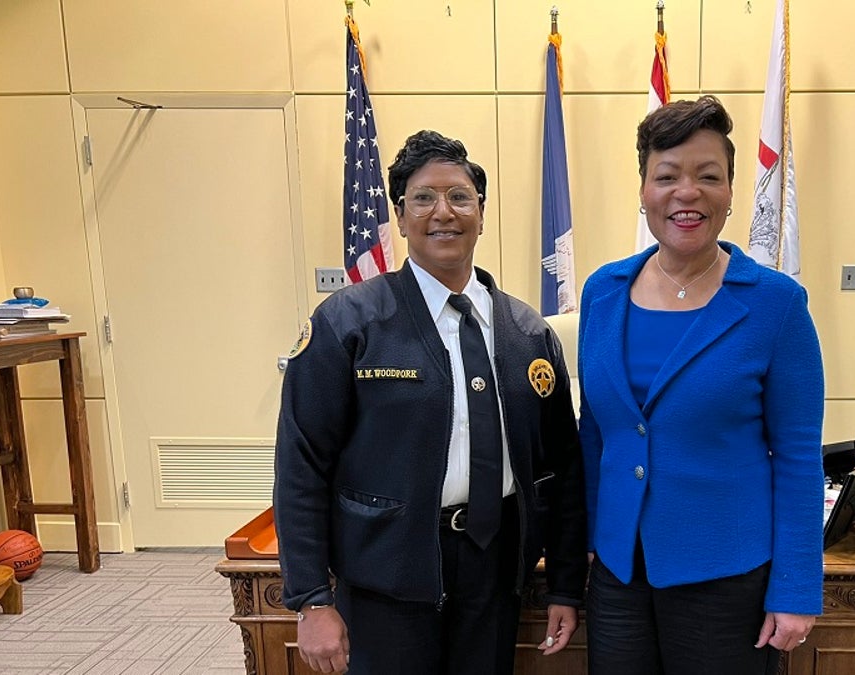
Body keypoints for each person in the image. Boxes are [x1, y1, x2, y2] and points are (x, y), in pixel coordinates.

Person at [274, 130, 587, 675]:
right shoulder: (348, 323)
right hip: (385, 577)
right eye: (423, 198)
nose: (443, 212)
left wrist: (564, 584)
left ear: (482, 213)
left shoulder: (526, 333)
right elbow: (301, 464)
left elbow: (562, 469)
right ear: (399, 215)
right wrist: (311, 599)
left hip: (494, 572)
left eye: (460, 197)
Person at [577, 96, 826, 675]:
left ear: (732, 191)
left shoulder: (775, 305)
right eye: (666, 176)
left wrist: (794, 589)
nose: (686, 193)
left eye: (708, 176)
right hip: (619, 572)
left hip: (727, 575)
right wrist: (588, 538)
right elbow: (596, 432)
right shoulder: (603, 292)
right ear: (643, 189)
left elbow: (796, 457)